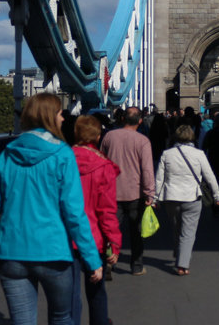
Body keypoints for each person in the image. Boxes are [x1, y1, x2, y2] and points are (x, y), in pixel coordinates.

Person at [0, 93, 102, 325]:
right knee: (62, 317)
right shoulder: (62, 154)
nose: (63, 119)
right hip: (53, 251)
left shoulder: (7, 153)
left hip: (11, 250)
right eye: (60, 113)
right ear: (50, 117)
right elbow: (74, 213)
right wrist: (92, 258)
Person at [71, 115, 121, 325]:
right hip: (94, 238)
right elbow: (106, 211)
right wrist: (115, 243)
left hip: (66, 236)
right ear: (99, 136)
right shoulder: (104, 166)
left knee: (70, 295)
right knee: (97, 292)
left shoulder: (62, 159)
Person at [154, 124, 219, 276]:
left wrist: (155, 198)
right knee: (188, 232)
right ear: (192, 137)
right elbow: (210, 176)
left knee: (176, 229)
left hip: (171, 197)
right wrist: (217, 196)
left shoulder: (167, 154)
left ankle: (179, 254)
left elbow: (159, 178)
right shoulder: (199, 154)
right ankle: (182, 264)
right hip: (192, 197)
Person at [100, 105, 155, 276]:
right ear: (140, 121)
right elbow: (147, 169)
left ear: (122, 119)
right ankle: (136, 266)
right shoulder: (143, 141)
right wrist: (149, 192)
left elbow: (101, 161)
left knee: (110, 231)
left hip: (111, 192)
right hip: (135, 193)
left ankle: (109, 261)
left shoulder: (109, 136)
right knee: (136, 232)